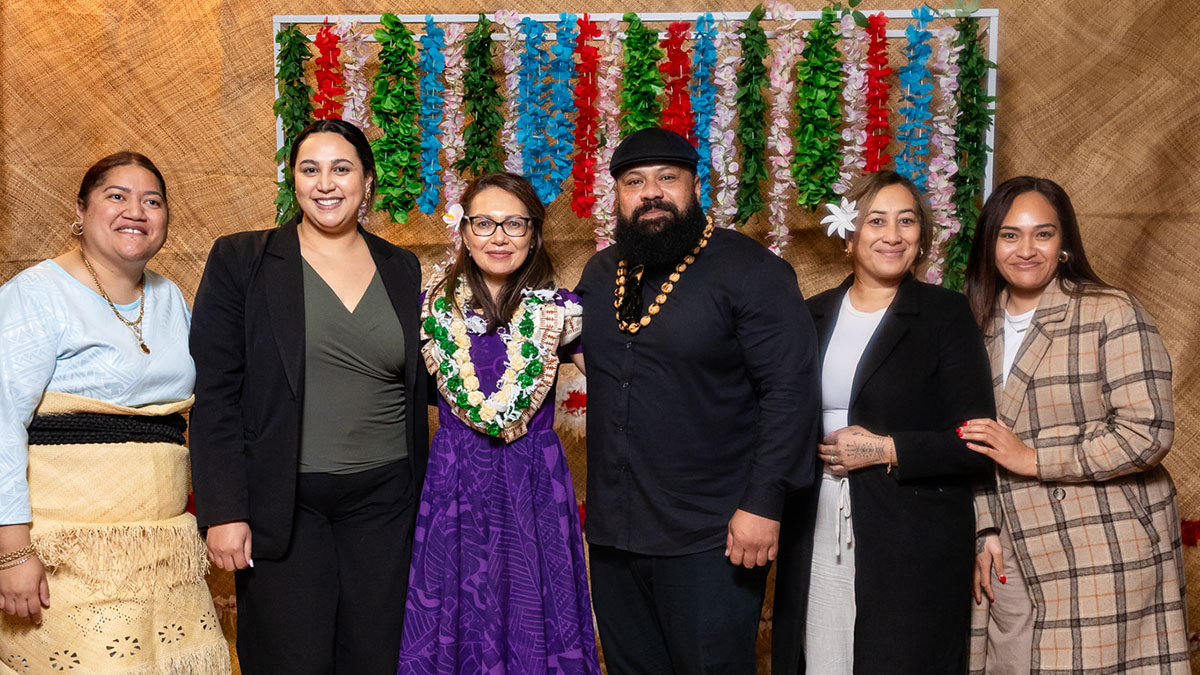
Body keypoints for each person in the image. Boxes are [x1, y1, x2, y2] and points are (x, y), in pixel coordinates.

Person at [574, 126, 820, 674]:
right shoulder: (601, 273)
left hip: (713, 534)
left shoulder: (751, 270)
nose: (651, 193)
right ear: (618, 195)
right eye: (634, 182)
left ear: (695, 186)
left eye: (668, 178)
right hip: (617, 534)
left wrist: (764, 503)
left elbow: (791, 391)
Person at [189, 119, 428, 674]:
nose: (325, 183)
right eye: (309, 169)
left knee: (376, 658)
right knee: (290, 659)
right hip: (283, 505)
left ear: (366, 180)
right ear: (292, 180)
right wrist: (224, 510)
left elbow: (429, 370)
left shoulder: (401, 266)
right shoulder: (243, 259)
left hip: (386, 504)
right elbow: (217, 392)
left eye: (341, 169)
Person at [0, 152, 230, 673]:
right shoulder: (36, 295)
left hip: (163, 549)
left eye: (152, 201)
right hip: (66, 551)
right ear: (80, 211)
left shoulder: (170, 298)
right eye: (117, 197)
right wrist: (11, 551)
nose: (136, 212)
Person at [961, 176, 1188, 674]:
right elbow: (967, 436)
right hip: (1010, 541)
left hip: (1102, 539)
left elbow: (1148, 431)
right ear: (990, 243)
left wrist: (1035, 458)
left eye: (1042, 234)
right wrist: (984, 528)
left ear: (1064, 243)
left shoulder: (1110, 310)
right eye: (1010, 235)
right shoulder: (973, 323)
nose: (1026, 249)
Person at [773, 170, 996, 675]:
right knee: (823, 659)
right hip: (817, 521)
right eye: (876, 221)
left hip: (911, 534)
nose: (892, 235)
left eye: (906, 221)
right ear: (849, 237)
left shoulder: (945, 315)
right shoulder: (810, 316)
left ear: (922, 237)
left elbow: (976, 441)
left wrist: (887, 449)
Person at [397, 172, 600, 674]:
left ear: (534, 234)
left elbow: (620, 386)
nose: (499, 237)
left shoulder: (560, 312)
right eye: (484, 223)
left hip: (533, 479)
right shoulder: (429, 309)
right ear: (464, 232)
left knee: (535, 604)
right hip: (455, 479)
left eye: (515, 224)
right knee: (457, 604)